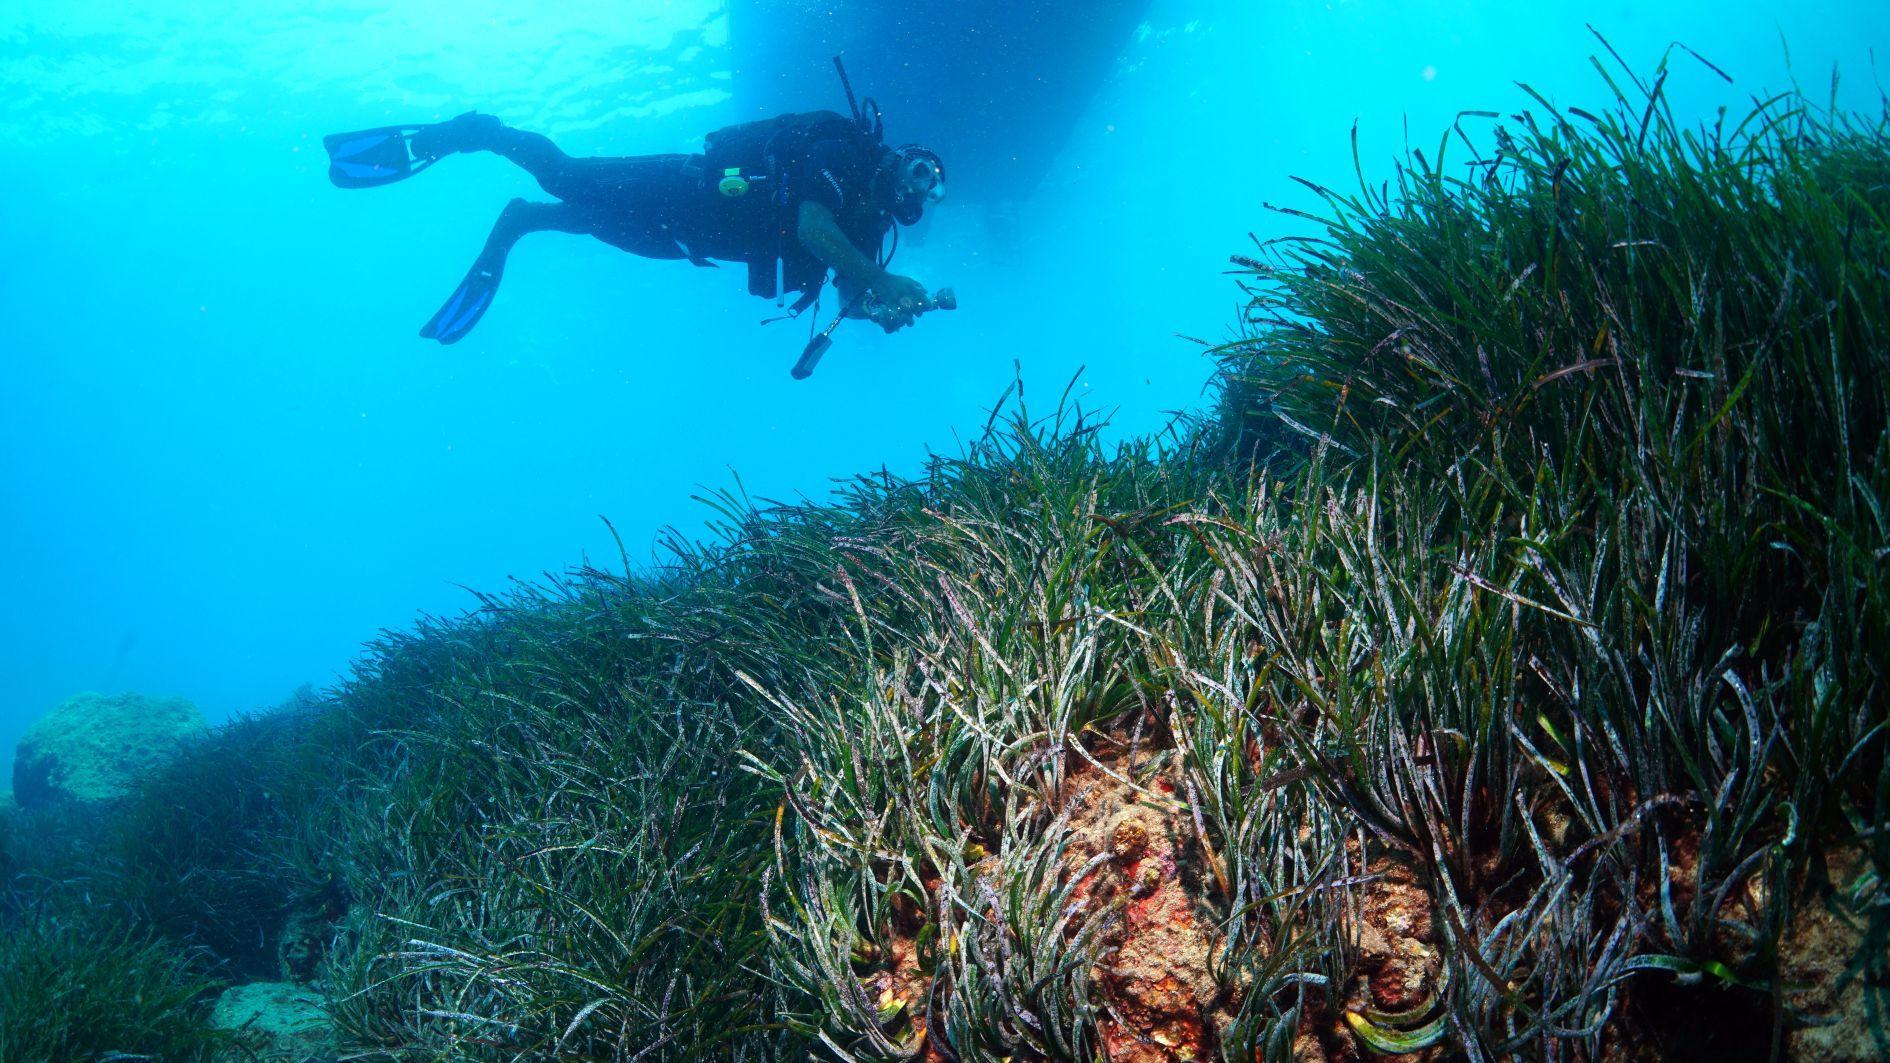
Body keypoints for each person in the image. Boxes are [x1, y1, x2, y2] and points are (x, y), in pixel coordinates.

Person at [323, 109, 945, 344]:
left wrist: (880, 308)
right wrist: (882, 280)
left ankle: (520, 223)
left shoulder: (866, 234)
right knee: (564, 176)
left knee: (583, 218)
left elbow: (849, 296)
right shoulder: (843, 157)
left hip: (684, 241)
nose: (921, 188)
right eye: (921, 171)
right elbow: (812, 227)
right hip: (681, 185)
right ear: (899, 158)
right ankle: (476, 133)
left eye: (932, 189)